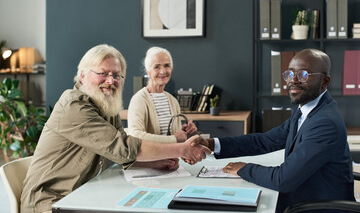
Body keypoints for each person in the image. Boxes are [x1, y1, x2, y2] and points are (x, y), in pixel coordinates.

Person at [20, 44, 210, 213]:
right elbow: (123, 146)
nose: (110, 81)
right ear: (82, 75)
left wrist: (154, 163)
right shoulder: (74, 104)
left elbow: (117, 154)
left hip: (81, 194)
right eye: (103, 73)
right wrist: (182, 148)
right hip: (50, 202)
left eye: (116, 75)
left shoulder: (106, 105)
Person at [196, 49, 355, 213]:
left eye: (303, 75)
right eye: (289, 74)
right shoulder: (306, 110)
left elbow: (283, 179)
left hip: (318, 207)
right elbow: (266, 141)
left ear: (324, 81)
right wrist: (212, 143)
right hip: (304, 198)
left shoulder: (324, 122)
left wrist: (243, 168)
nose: (293, 81)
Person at [127, 46, 197, 143]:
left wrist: (186, 132)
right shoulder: (139, 100)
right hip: (152, 158)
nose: (163, 71)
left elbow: (176, 136)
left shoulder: (173, 101)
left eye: (167, 65)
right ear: (148, 72)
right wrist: (174, 138)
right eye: (157, 67)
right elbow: (135, 136)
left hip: (173, 156)